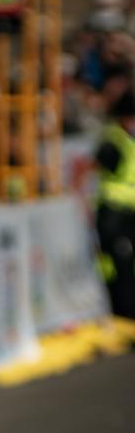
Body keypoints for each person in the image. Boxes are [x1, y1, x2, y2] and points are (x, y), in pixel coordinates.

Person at [94, 89, 135, 318]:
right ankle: (122, 314)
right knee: (118, 265)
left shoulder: (129, 141)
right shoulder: (114, 141)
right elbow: (90, 170)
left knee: (128, 267)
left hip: (129, 215)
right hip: (113, 215)